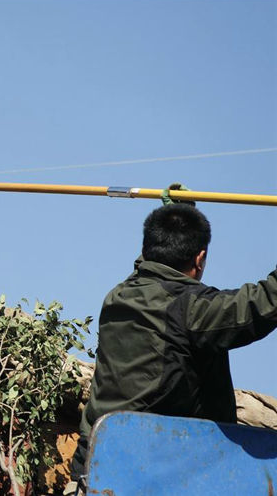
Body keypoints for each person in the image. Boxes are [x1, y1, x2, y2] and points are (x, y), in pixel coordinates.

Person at [69, 202, 277, 490]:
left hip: (92, 471)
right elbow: (260, 305)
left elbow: (151, 263)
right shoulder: (189, 309)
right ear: (200, 258)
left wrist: (176, 214)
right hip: (155, 477)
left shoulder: (119, 297)